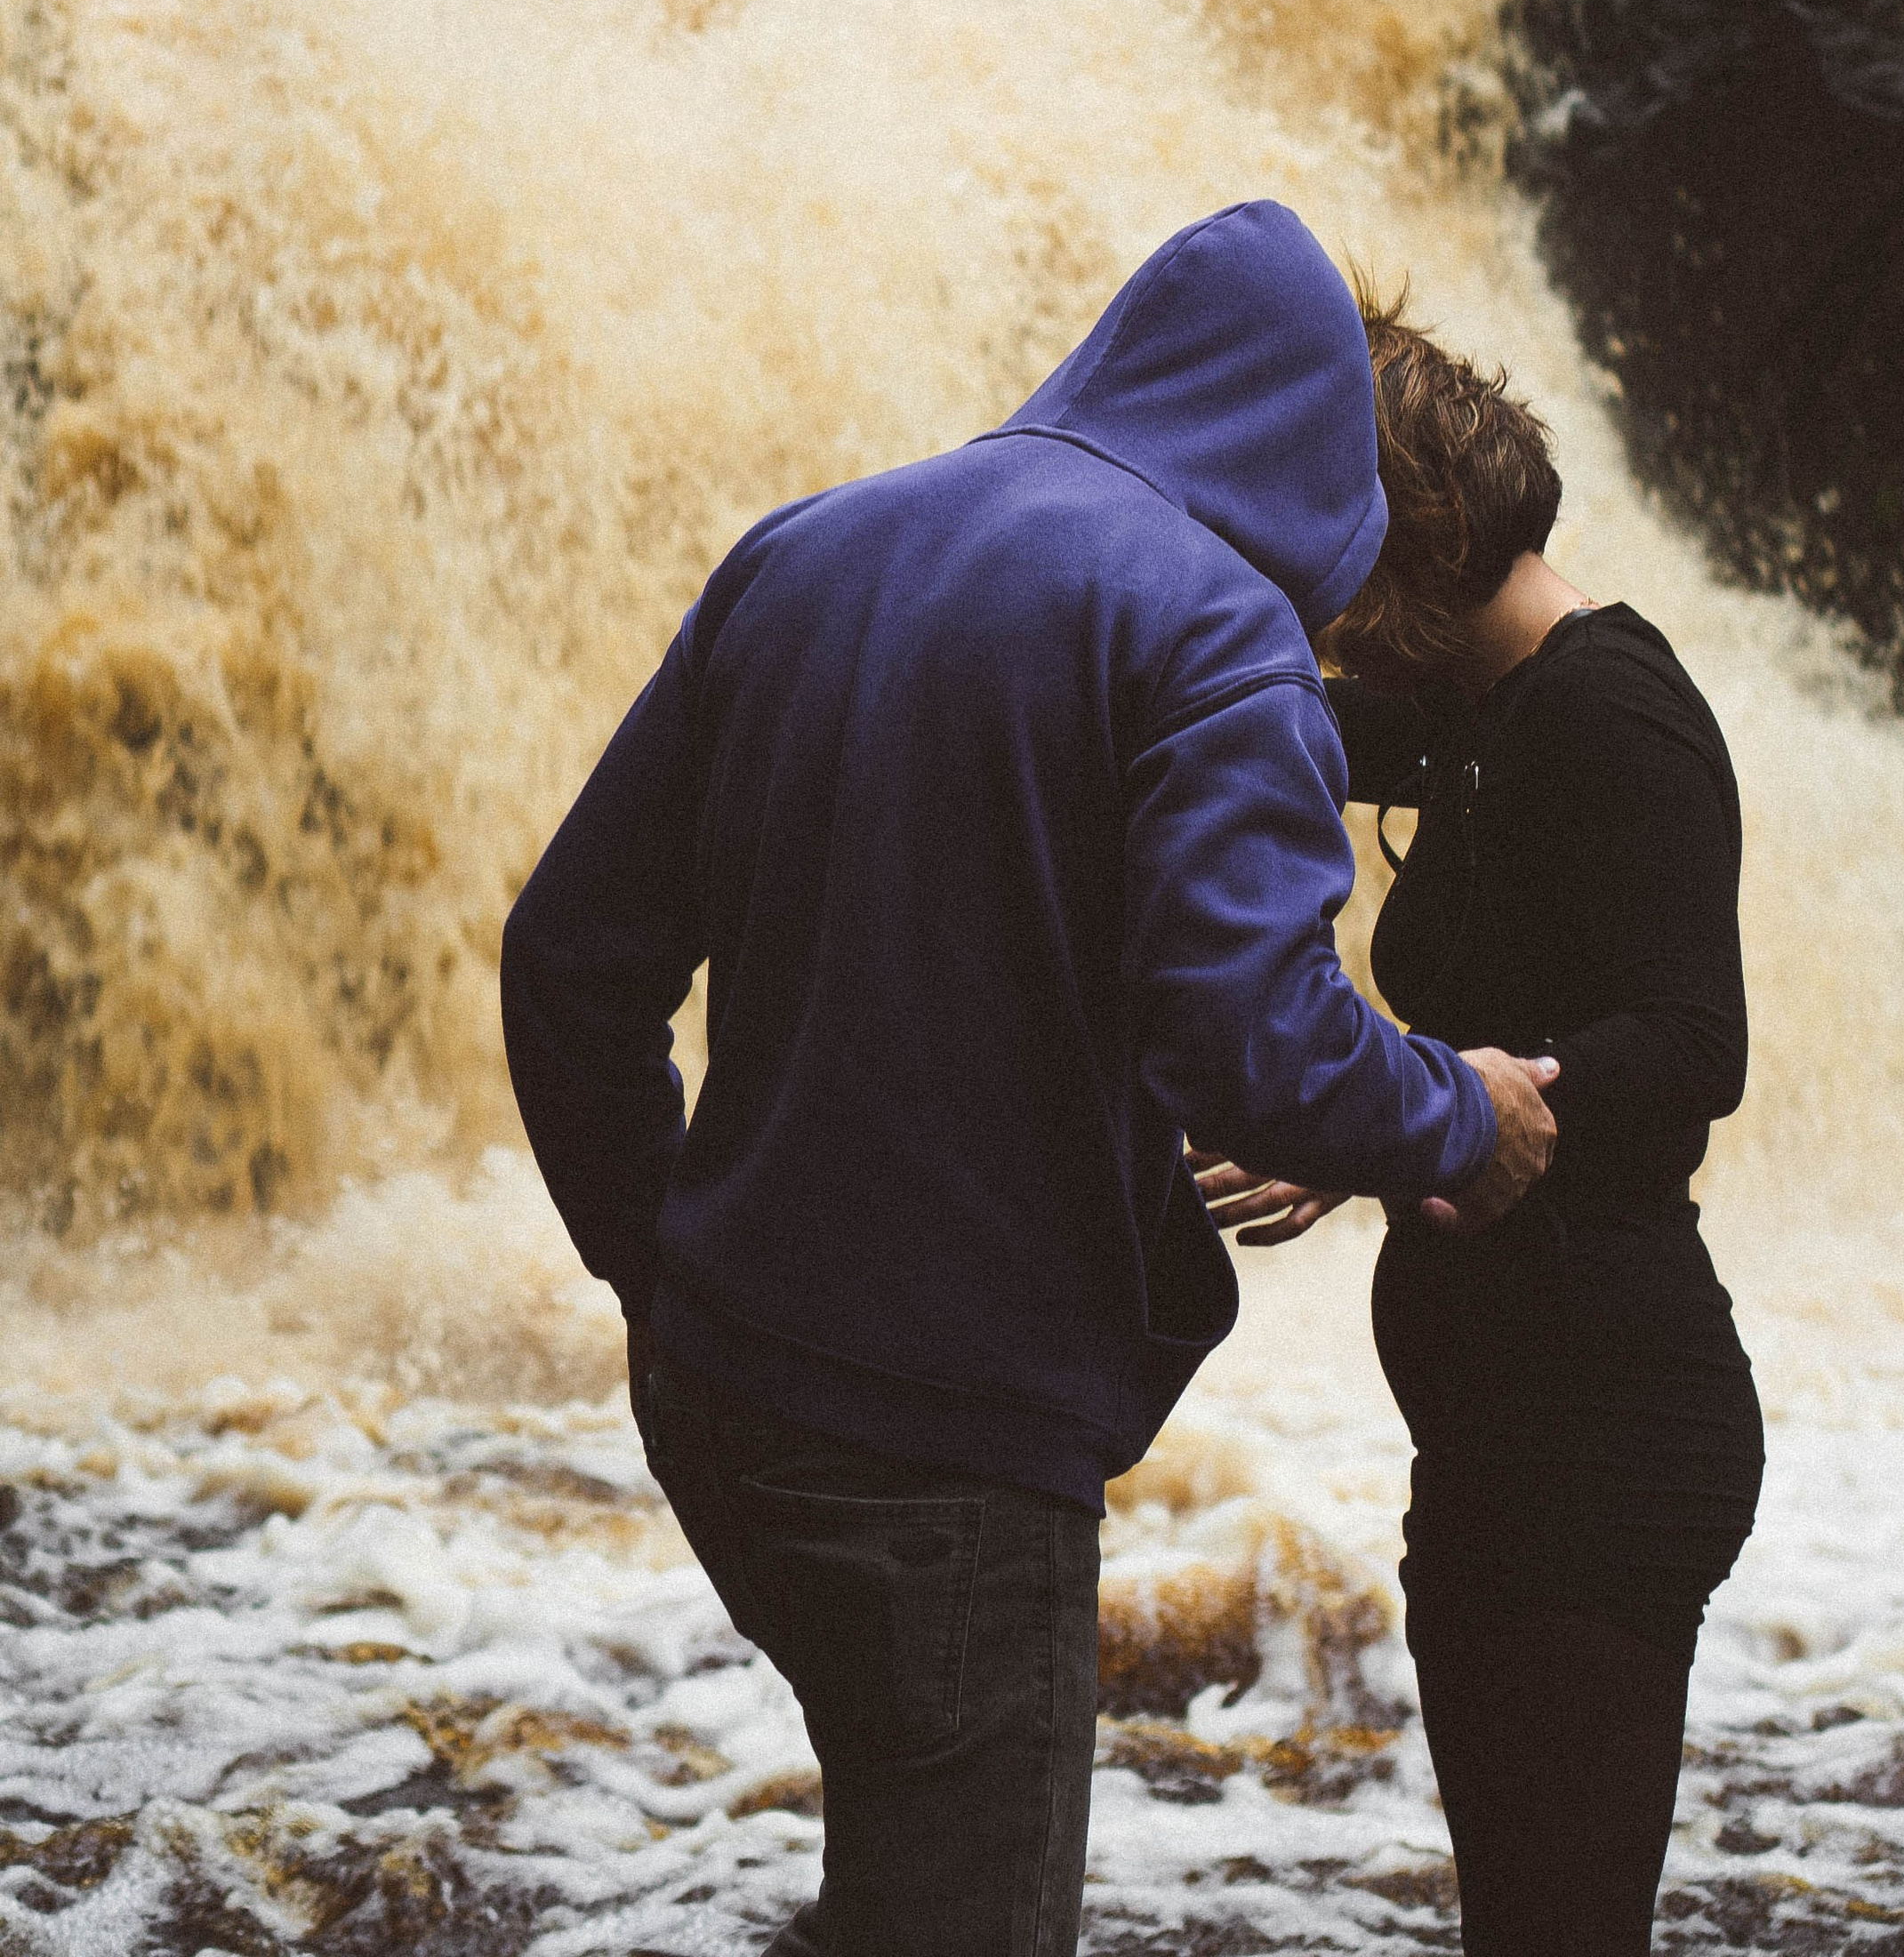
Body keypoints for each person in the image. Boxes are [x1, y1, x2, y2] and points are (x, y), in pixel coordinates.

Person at [500, 203, 1555, 1957]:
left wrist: (664, 1271)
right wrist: (1462, 1114)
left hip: (723, 1405)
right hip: (941, 1446)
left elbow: (568, 960)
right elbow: (1251, 1041)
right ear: (1310, 449)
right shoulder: (1215, 637)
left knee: (892, 1873)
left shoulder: (808, 547)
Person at [1200, 296, 1762, 1957]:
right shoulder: (1470, 714)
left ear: (1411, 545)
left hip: (1606, 1432)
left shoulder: (1607, 711)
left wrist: (1389, 1124)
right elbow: (1252, 723)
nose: (1321, 609)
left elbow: (1691, 1046)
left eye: (1332, 554)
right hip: (1512, 1434)